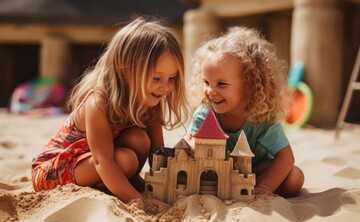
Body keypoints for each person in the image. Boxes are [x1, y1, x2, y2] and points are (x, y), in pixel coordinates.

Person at [31, 17, 189, 207]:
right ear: (128, 71)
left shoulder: (152, 101)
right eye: (157, 78)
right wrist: (141, 202)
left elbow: (157, 154)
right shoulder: (98, 102)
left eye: (172, 78)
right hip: (52, 171)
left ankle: (121, 184)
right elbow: (103, 162)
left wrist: (169, 185)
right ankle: (119, 185)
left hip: (94, 163)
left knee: (139, 139)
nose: (165, 87)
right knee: (125, 160)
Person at [186, 26, 304, 198]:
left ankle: (250, 188)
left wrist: (265, 186)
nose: (210, 91)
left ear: (249, 86)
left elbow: (286, 158)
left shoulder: (262, 118)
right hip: (217, 172)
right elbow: (189, 143)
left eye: (221, 84)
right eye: (206, 82)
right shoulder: (205, 114)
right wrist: (191, 145)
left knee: (295, 178)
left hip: (254, 171)